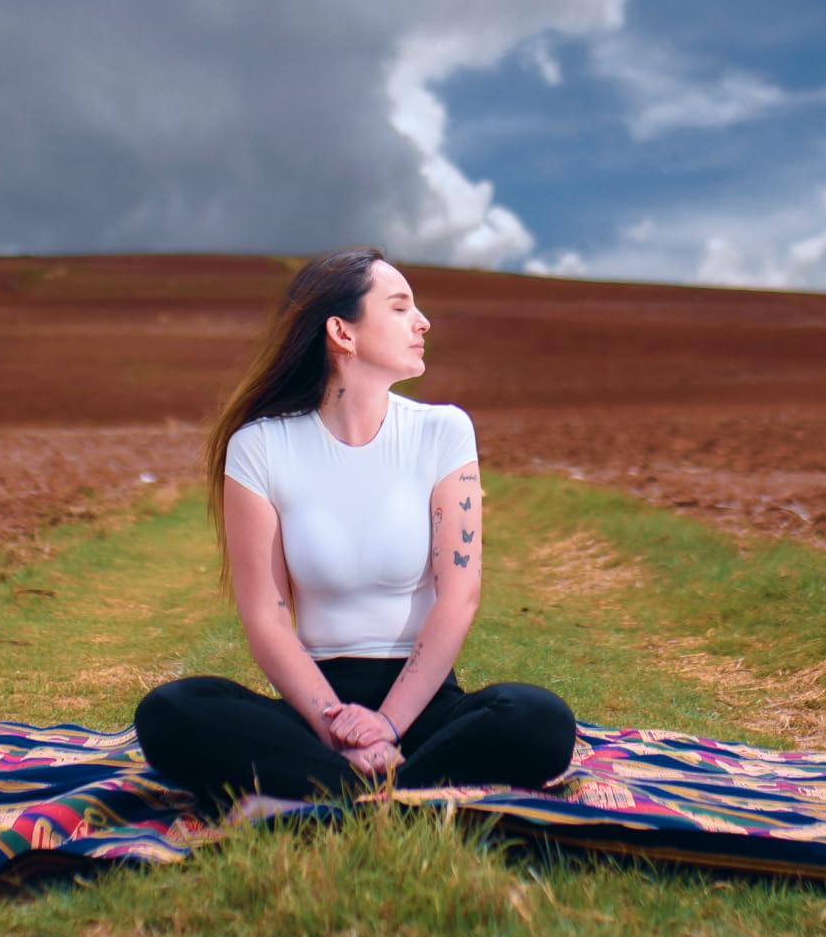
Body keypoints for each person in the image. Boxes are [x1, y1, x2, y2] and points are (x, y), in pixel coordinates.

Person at [133, 246, 577, 808]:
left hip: (423, 710)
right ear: (342, 333)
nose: (423, 322)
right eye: (399, 308)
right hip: (315, 712)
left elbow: (458, 598)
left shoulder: (443, 432)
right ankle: (378, 785)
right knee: (170, 711)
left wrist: (387, 725)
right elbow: (265, 618)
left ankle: (333, 786)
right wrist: (336, 728)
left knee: (539, 720)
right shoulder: (260, 448)